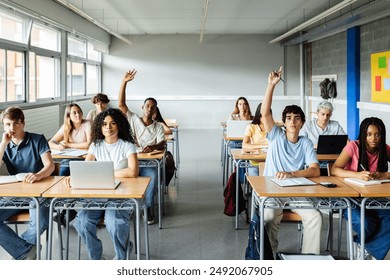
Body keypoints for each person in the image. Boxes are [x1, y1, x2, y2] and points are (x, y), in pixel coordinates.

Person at [260, 66, 321, 256]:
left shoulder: (305, 143)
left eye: (296, 119)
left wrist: (291, 174)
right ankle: (270, 258)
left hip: (296, 190)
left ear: (302, 122)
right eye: (288, 119)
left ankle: (309, 259)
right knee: (269, 217)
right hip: (272, 189)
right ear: (283, 123)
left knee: (315, 217)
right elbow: (265, 113)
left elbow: (315, 170)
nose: (292, 122)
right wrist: (271, 86)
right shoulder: (276, 136)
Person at [65, 108, 139, 260]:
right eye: (104, 124)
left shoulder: (127, 145)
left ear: (119, 125)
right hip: (98, 195)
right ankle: (96, 257)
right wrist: (73, 176)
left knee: (114, 222)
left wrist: (106, 173)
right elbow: (86, 168)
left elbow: (133, 171)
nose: (108, 127)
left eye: (112, 123)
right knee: (82, 222)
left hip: (121, 194)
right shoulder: (96, 146)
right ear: (100, 126)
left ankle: (122, 255)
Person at [331, 117, 390, 260]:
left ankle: (363, 246)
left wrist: (384, 174)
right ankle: (369, 247)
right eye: (369, 134)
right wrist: (357, 175)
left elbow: (385, 174)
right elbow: (334, 169)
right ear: (363, 134)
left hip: (376, 198)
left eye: (378, 134)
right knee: (366, 223)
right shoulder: (353, 146)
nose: (373, 138)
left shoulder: (385, 149)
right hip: (351, 198)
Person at [0, 107, 55, 260]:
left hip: (40, 193)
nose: (12, 128)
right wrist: (4, 144)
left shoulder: (38, 139)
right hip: (15, 195)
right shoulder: (5, 145)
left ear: (23, 123)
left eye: (16, 123)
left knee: (40, 223)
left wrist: (37, 175)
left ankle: (23, 250)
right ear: (3, 126)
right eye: (7, 124)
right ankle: (25, 251)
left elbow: (49, 166)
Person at [118, 69, 165, 225]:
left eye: (153, 107)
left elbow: (163, 143)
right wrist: (124, 82)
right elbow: (121, 104)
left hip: (148, 163)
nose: (149, 109)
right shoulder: (133, 119)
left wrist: (152, 147)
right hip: (131, 162)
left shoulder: (158, 126)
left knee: (152, 176)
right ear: (142, 107)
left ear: (155, 111)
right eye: (147, 106)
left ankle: (148, 208)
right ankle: (124, 206)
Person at [49, 103, 92, 225]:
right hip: (69, 159)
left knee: (77, 180)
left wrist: (68, 144)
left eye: (79, 111)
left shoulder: (87, 123)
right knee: (62, 175)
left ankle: (67, 208)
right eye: (74, 112)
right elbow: (51, 142)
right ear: (69, 115)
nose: (78, 114)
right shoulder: (66, 127)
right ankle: (67, 207)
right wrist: (58, 146)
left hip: (84, 160)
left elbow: (89, 144)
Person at [243, 103, 269, 177]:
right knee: (256, 183)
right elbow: (244, 145)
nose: (265, 117)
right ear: (258, 115)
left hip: (270, 162)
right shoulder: (251, 127)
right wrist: (264, 146)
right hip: (255, 162)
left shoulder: (273, 129)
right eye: (262, 115)